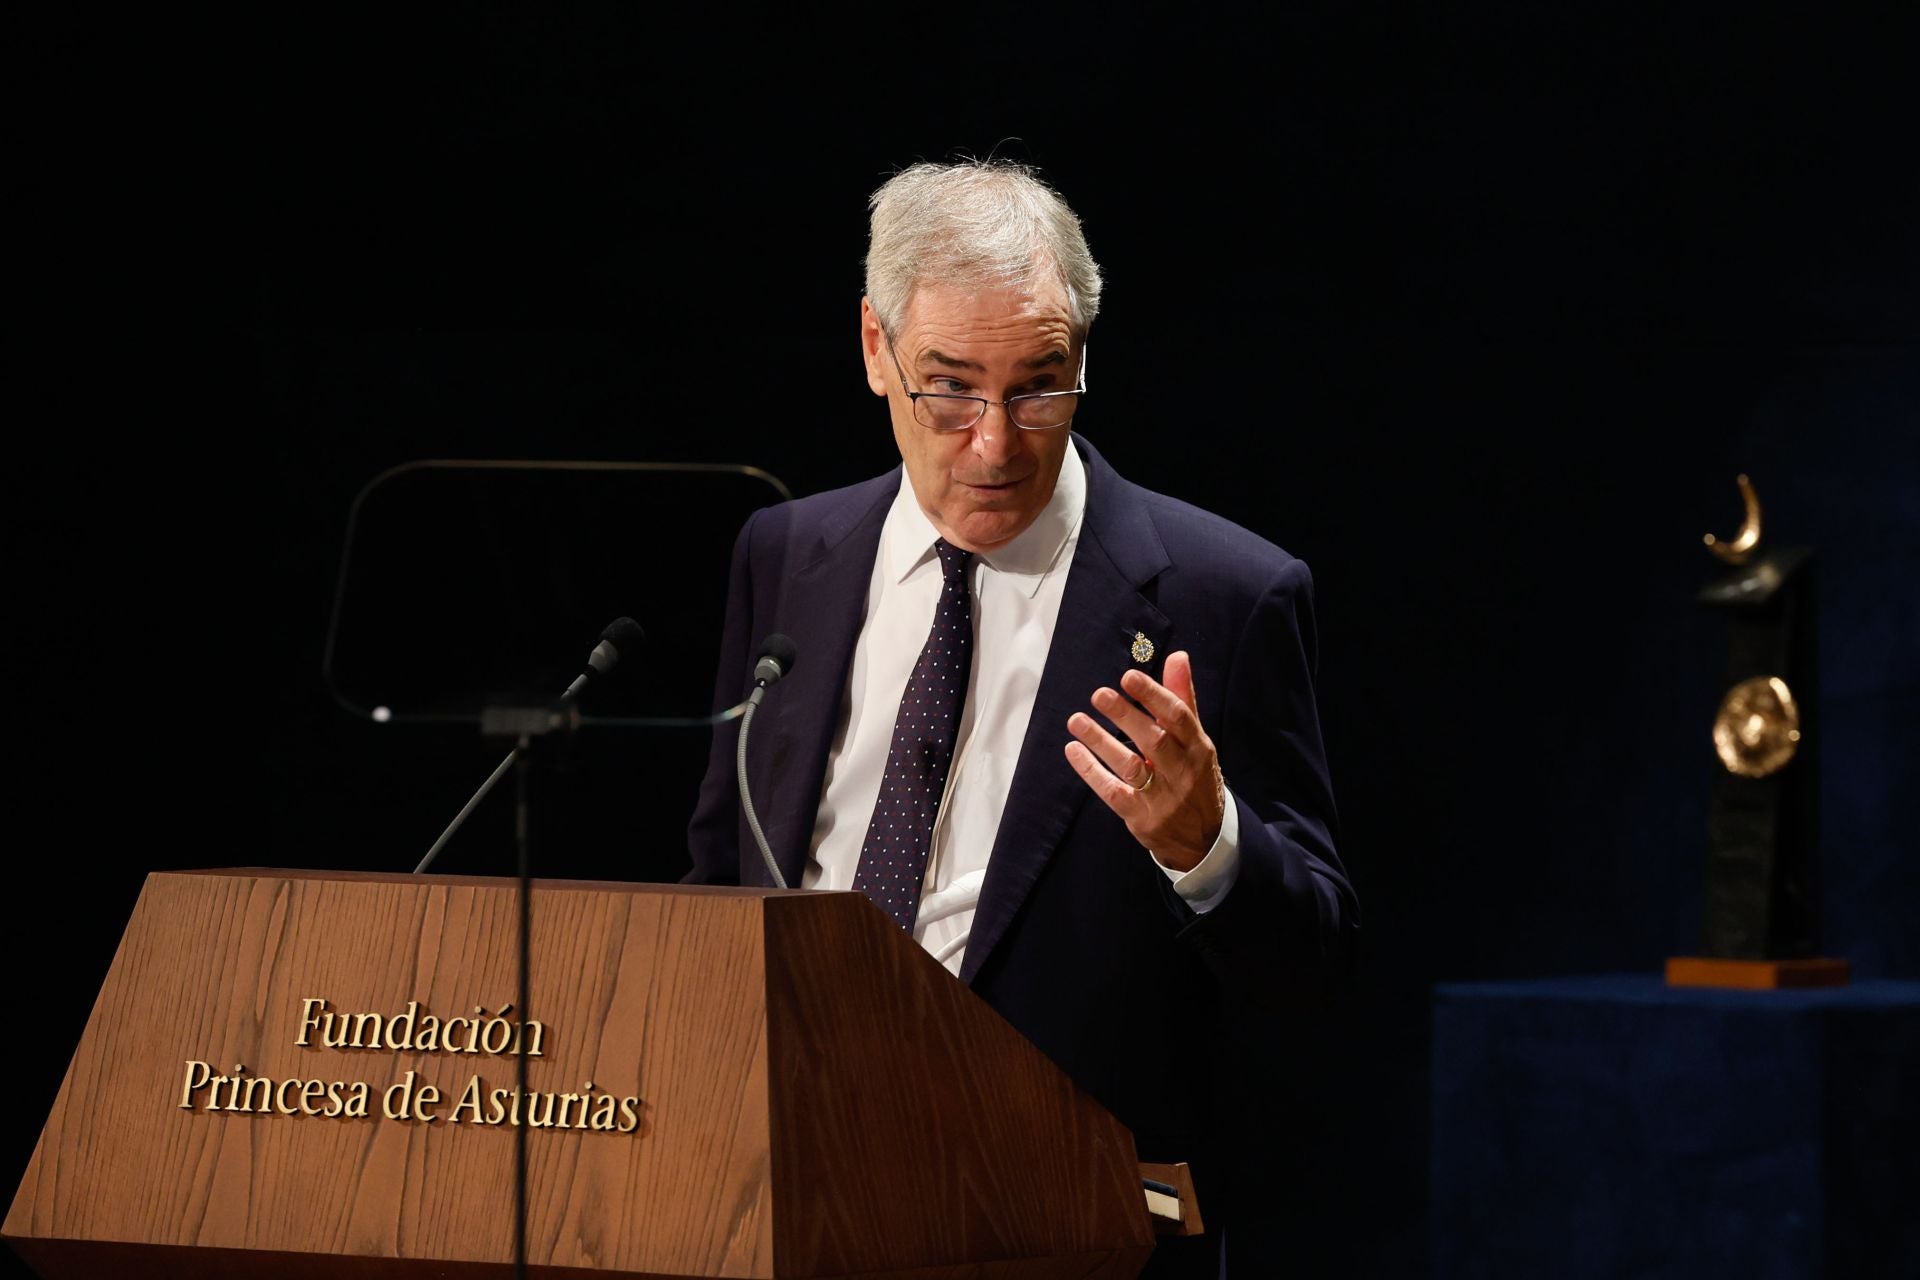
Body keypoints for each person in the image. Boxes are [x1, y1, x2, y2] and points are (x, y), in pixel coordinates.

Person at [684, 158, 1357, 1277]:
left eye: (1040, 386)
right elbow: (719, 880)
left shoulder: (1224, 597)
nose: (995, 444)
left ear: (1085, 358)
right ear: (873, 349)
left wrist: (1209, 844)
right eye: (949, 387)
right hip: (787, 1197)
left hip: (1061, 1226)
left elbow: (1318, 970)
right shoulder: (787, 556)